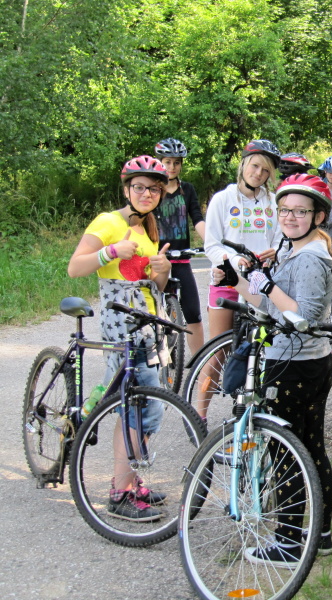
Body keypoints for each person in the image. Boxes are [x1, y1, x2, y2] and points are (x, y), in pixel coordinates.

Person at [212, 173, 332, 563]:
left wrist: (266, 285)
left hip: (297, 365)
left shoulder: (310, 258)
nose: (290, 217)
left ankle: (289, 541)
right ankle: (319, 535)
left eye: (300, 211)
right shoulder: (295, 251)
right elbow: (270, 305)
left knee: (288, 452)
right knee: (309, 448)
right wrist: (239, 281)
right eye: (284, 210)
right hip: (301, 360)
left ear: (318, 216)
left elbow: (303, 316)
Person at [67, 155, 173, 522]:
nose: (147, 194)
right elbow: (75, 267)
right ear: (127, 189)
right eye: (139, 187)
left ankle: (128, 481)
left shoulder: (148, 229)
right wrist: (110, 251)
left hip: (148, 325)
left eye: (154, 189)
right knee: (141, 408)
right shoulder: (109, 222)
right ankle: (120, 491)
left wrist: (162, 271)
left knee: (136, 405)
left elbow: (155, 285)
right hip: (123, 327)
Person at [201, 139, 283, 420]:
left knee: (263, 351)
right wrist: (235, 261)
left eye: (265, 170)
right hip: (226, 278)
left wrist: (276, 252)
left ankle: (255, 416)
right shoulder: (222, 199)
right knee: (217, 352)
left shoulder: (273, 202)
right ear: (244, 164)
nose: (258, 174)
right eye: (255, 166)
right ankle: (198, 415)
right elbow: (211, 245)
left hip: (260, 282)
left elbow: (280, 239)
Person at [153, 137, 206, 355]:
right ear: (160, 162)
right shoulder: (153, 190)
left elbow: (197, 218)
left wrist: (210, 241)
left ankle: (200, 363)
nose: (172, 167)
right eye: (167, 162)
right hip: (157, 259)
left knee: (193, 311)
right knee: (149, 311)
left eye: (176, 163)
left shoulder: (188, 189)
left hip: (181, 259)